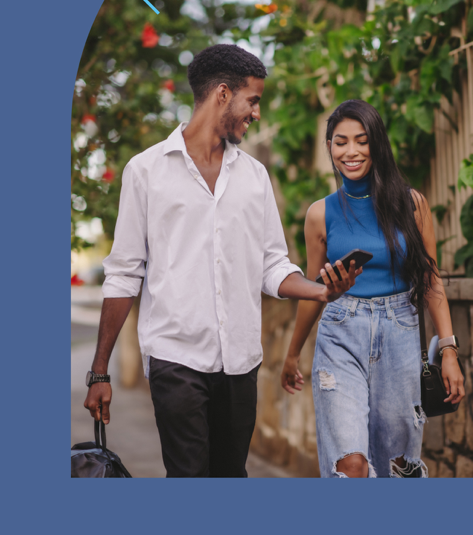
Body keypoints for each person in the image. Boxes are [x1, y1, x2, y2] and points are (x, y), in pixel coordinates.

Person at [84, 44, 360, 478]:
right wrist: (99, 371)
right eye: (253, 101)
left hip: (240, 361)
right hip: (175, 358)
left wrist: (322, 288)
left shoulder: (254, 177)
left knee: (231, 476)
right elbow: (123, 275)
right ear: (222, 94)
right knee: (190, 476)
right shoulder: (146, 172)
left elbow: (272, 264)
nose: (257, 114)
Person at [281, 98, 465, 478]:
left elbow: (430, 280)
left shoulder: (412, 205)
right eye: (340, 141)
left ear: (377, 144)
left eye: (361, 141)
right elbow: (317, 291)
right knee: (351, 464)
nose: (350, 151)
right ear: (330, 148)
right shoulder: (320, 213)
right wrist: (292, 353)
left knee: (399, 464)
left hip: (400, 334)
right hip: (340, 335)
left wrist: (448, 349)